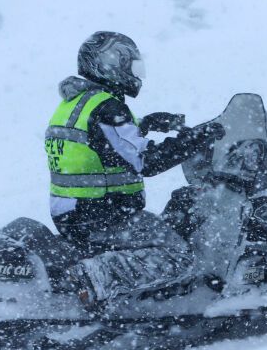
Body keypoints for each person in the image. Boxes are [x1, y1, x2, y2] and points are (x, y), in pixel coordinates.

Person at [44, 31, 223, 308]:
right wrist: (196, 139)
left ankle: (135, 291)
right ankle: (91, 277)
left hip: (75, 214)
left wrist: (147, 123)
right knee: (180, 255)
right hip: (103, 217)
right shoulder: (106, 107)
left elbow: (104, 143)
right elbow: (145, 161)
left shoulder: (76, 102)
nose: (134, 73)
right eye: (129, 65)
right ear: (109, 64)